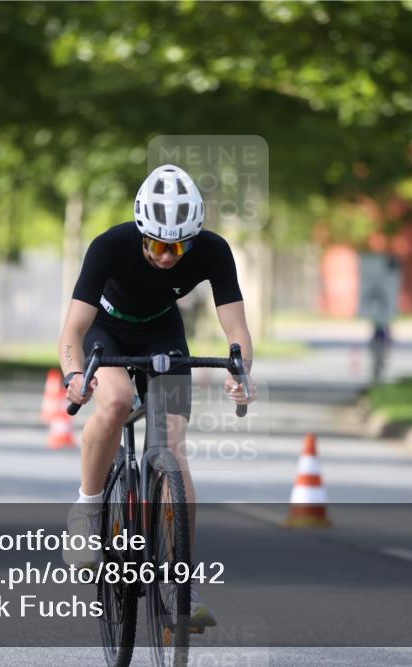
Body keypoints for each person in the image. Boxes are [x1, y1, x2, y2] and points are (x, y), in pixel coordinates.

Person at [58, 164, 257, 629]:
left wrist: (241, 372)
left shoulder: (212, 250)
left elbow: (237, 329)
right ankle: (87, 508)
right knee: (117, 400)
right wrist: (74, 373)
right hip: (107, 330)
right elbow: (73, 329)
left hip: (161, 331)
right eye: (160, 245)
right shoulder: (110, 245)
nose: (170, 256)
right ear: (143, 231)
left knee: (172, 442)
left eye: (180, 246)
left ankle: (180, 583)